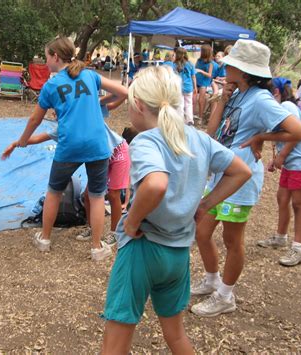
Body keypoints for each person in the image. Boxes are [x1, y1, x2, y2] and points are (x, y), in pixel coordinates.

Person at [101, 65, 251, 355]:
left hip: (143, 250)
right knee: (177, 336)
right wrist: (205, 205)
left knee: (115, 342)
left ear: (139, 105)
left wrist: (131, 222)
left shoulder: (146, 140)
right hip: (178, 254)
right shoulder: (197, 138)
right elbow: (240, 171)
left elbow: (155, 185)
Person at [191, 39, 301, 317]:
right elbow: (211, 134)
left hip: (240, 181)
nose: (227, 65)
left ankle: (225, 295)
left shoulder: (260, 100)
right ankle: (212, 279)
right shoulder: (236, 94)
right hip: (221, 175)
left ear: (244, 71)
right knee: (202, 231)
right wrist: (223, 99)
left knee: (233, 240)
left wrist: (261, 136)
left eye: (232, 63)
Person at [12, 37, 128, 261]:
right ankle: (97, 248)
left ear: (55, 57)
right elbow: (123, 92)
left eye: (46, 56)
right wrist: (99, 101)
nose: (45, 61)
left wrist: (24, 139)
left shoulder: (52, 85)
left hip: (69, 146)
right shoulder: (90, 75)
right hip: (97, 145)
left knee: (54, 191)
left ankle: (45, 238)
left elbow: (36, 118)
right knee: (96, 197)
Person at [2, 94, 129, 247]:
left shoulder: (87, 112)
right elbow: (39, 137)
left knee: (114, 194)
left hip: (117, 153)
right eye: (54, 113)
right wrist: (17, 143)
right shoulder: (63, 128)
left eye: (57, 112)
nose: (54, 116)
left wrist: (125, 93)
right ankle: (92, 228)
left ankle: (115, 233)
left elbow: (111, 103)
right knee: (89, 196)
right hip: (100, 159)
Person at [258, 100, 301, 266]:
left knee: (298, 203)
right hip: (292, 162)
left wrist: (282, 156)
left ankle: (299, 248)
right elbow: (278, 139)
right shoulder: (268, 114)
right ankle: (280, 238)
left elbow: (299, 134)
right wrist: (275, 158)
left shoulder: (286, 106)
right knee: (282, 198)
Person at [175, 47, 197, 125]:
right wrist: (195, 87)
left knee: (180, 104)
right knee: (188, 104)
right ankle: (189, 120)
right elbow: (193, 76)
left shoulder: (175, 64)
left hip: (179, 87)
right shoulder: (190, 64)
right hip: (189, 87)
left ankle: (180, 121)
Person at [194, 44, 214, 122]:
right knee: (194, 98)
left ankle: (201, 117)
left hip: (204, 82)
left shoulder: (210, 63)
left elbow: (209, 75)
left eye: (202, 50)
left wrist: (201, 71)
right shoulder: (199, 60)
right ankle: (194, 114)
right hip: (197, 80)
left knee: (201, 100)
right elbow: (195, 69)